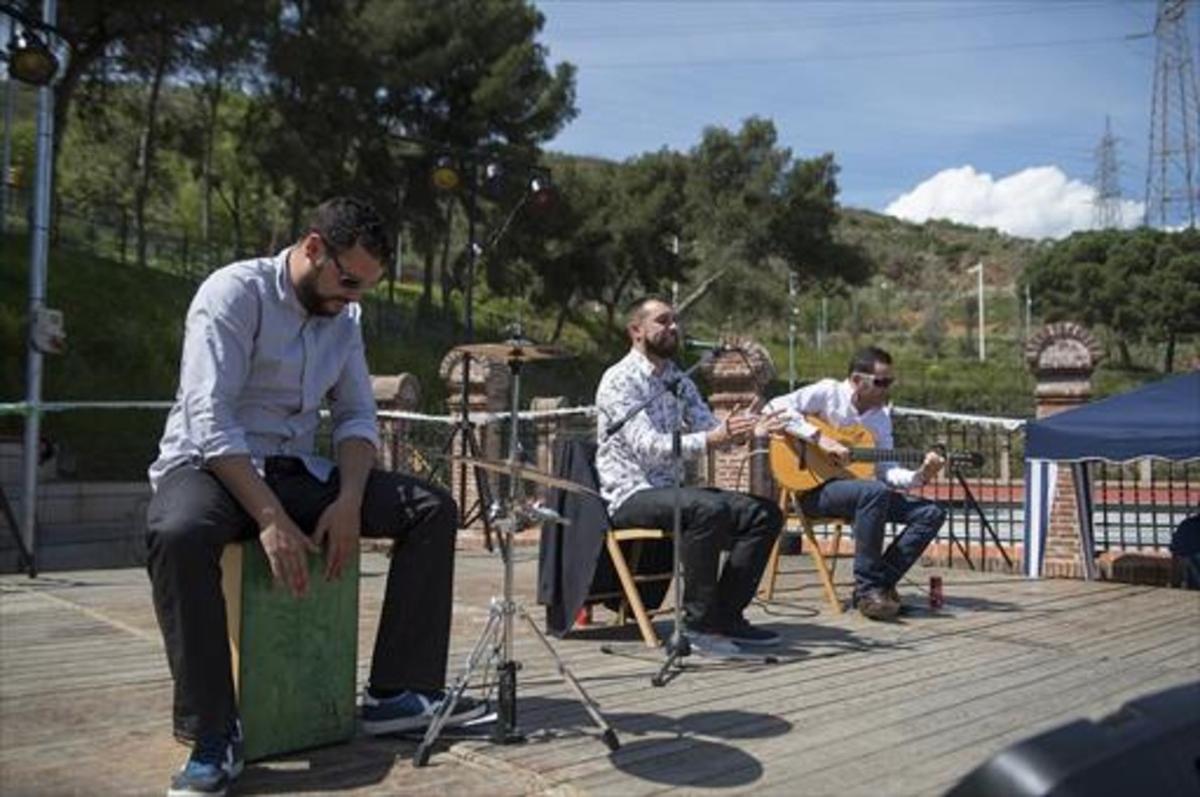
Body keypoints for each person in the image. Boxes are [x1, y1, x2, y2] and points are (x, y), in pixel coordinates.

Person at [145, 197, 483, 797]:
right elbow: (210, 418)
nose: (353, 299)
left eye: (365, 288)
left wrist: (351, 499)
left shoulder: (344, 317)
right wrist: (269, 517)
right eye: (347, 280)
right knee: (178, 531)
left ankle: (394, 695)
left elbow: (355, 416)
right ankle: (213, 734)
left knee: (432, 508)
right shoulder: (232, 294)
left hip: (295, 466)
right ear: (311, 248)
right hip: (211, 466)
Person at [595, 296, 785, 658]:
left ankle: (726, 616)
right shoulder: (618, 380)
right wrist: (713, 437)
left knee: (765, 513)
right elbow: (647, 446)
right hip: (632, 493)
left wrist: (750, 429)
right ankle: (697, 626)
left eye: (675, 321)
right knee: (707, 508)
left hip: (674, 491)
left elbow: (709, 428)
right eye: (663, 321)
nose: (673, 328)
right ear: (636, 331)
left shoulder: (679, 381)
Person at [764, 346, 946, 621]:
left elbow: (887, 472)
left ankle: (878, 584)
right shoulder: (827, 393)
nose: (887, 389)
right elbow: (773, 407)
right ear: (858, 381)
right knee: (874, 492)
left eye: (890, 382)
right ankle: (869, 588)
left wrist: (921, 475)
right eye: (881, 382)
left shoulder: (880, 418)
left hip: (862, 494)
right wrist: (819, 439)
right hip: (813, 490)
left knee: (930, 513)